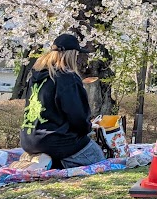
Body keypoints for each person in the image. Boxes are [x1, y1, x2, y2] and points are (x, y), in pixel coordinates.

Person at [19, 33, 106, 169]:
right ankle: (54, 163)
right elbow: (77, 116)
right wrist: (88, 128)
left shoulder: (35, 76)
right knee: (96, 156)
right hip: (53, 140)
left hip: (28, 139)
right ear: (72, 54)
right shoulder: (67, 77)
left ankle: (42, 160)